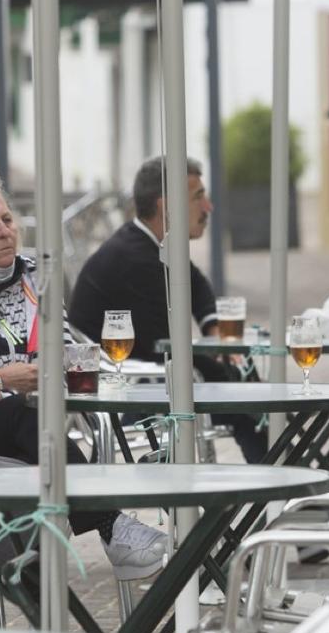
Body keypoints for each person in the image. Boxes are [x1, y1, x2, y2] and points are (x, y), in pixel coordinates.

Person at [0, 175, 168, 579]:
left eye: (7, 220)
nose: (4, 231)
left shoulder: (35, 281)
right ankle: (111, 525)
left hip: (29, 429)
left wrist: (27, 379)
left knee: (33, 458)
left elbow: (65, 359)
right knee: (29, 421)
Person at [69, 156, 268, 463]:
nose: (209, 207)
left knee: (249, 392)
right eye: (198, 197)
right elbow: (168, 348)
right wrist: (234, 374)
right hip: (125, 395)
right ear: (167, 207)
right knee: (250, 403)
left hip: (145, 381)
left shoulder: (148, 244)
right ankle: (285, 473)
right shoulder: (135, 260)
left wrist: (213, 327)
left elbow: (196, 283)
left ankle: (282, 464)